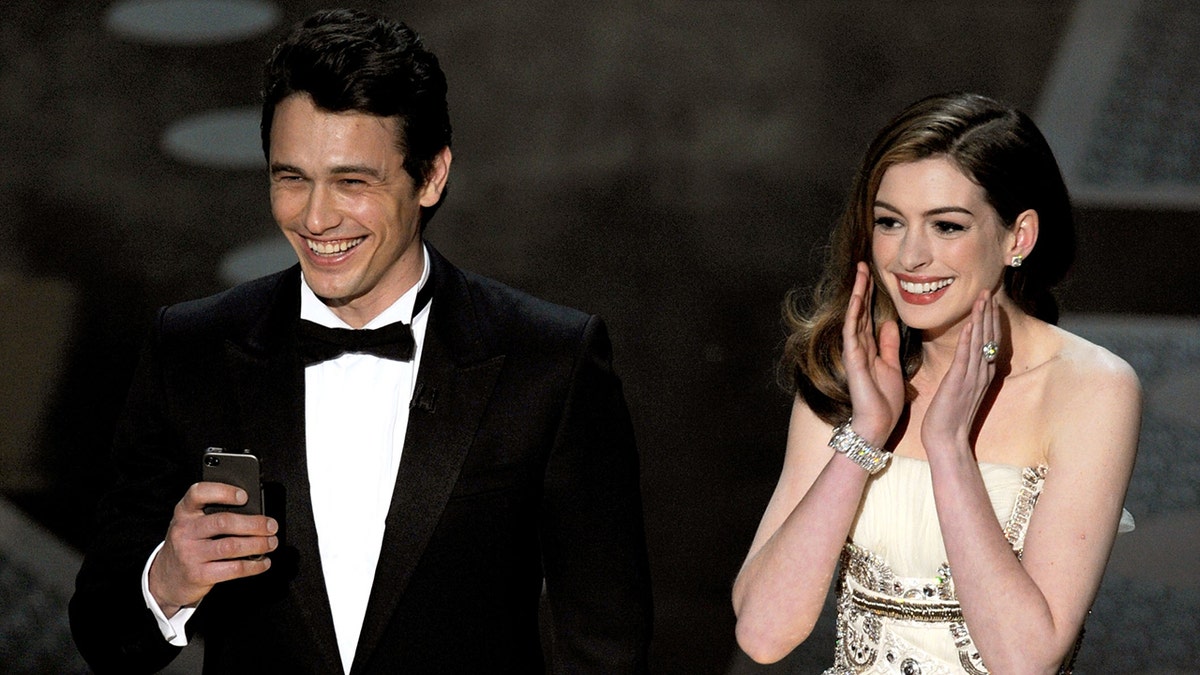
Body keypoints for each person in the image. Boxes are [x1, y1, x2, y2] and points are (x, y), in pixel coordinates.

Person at [70, 9, 652, 674]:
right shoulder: (192, 347)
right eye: (291, 177)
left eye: (352, 181)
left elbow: (605, 642)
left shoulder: (550, 359)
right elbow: (101, 629)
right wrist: (167, 579)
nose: (316, 217)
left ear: (431, 175)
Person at [731, 92, 1140, 673]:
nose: (911, 256)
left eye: (946, 225)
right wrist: (866, 434)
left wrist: (949, 448)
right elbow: (764, 633)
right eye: (890, 222)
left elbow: (1026, 659)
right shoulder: (846, 371)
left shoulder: (1092, 389)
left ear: (1018, 237)